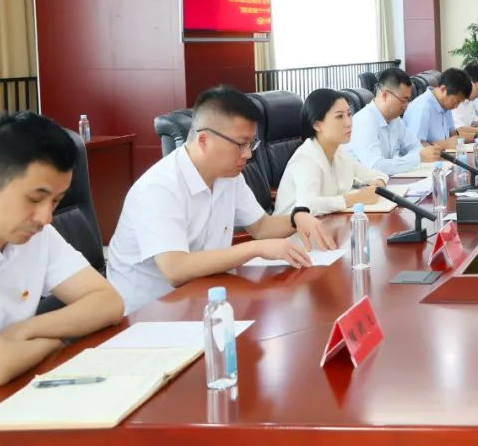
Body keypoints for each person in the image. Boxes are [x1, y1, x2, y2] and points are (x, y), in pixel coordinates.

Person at [0, 112, 124, 416]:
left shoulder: (34, 232)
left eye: (56, 201)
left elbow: (108, 302)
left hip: (12, 400)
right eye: (34, 199)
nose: (46, 217)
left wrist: (24, 331)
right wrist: (54, 341)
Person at [108, 86, 333, 315]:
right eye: (241, 144)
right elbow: (175, 269)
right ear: (204, 140)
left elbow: (261, 226)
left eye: (251, 143)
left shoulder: (229, 176)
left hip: (204, 299)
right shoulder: (159, 188)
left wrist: (297, 218)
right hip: (148, 316)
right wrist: (255, 248)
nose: (248, 154)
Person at [277, 89, 390, 221]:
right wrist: (356, 198)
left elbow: (378, 175)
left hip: (327, 223)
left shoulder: (339, 152)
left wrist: (377, 186)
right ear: (317, 125)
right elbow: (307, 205)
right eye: (339, 117)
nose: (348, 123)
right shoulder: (306, 158)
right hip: (293, 231)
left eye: (349, 114)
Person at [348, 67, 441, 174]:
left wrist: (407, 160)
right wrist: (416, 158)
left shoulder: (395, 119)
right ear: (384, 94)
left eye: (408, 100)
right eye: (403, 100)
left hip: (392, 179)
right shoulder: (364, 121)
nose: (406, 106)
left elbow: (416, 146)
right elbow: (375, 166)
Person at [403, 67, 473, 149]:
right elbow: (415, 147)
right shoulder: (422, 108)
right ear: (443, 89)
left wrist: (476, 137)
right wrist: (443, 145)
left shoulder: (445, 106)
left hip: (444, 153)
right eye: (456, 101)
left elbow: (452, 134)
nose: (456, 107)